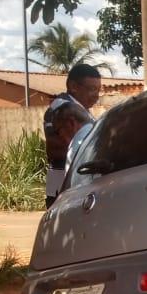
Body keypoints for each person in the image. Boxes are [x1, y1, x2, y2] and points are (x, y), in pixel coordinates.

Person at [43, 64, 101, 208]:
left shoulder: (81, 109)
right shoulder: (64, 107)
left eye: (99, 90)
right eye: (92, 89)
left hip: (69, 184)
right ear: (73, 86)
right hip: (65, 187)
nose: (96, 95)